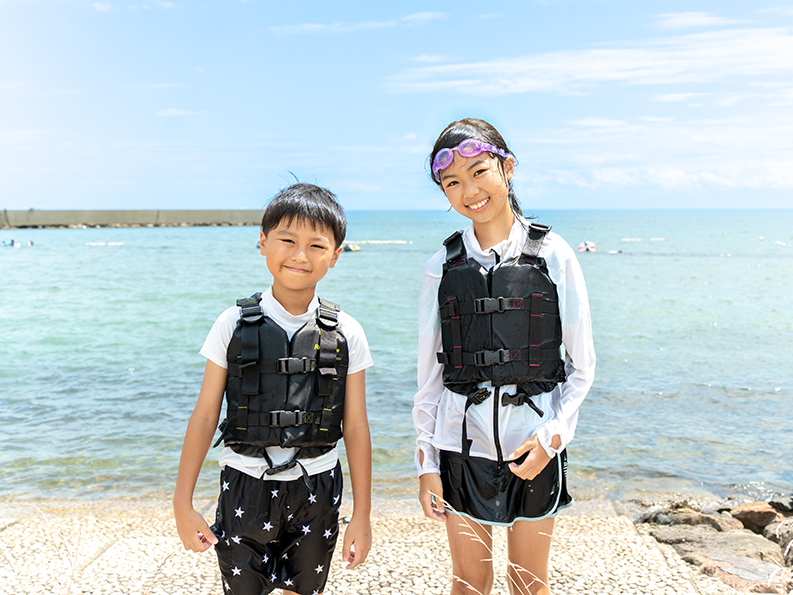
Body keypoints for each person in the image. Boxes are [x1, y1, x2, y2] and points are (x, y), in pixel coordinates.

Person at [413, 118, 595, 595]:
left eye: (479, 171)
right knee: (469, 583)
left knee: (528, 583)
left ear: (507, 167)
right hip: (459, 445)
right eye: (452, 182)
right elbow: (430, 377)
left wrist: (552, 438)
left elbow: (581, 368)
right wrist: (426, 463)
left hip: (532, 446)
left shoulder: (553, 254)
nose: (469, 190)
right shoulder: (441, 266)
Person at [174, 183, 373, 595]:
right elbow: (206, 414)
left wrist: (363, 514)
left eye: (317, 246)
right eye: (287, 240)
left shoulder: (348, 332)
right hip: (244, 482)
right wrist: (182, 502)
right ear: (263, 243)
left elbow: (355, 427)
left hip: (317, 486)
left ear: (335, 256)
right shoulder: (232, 324)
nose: (300, 256)